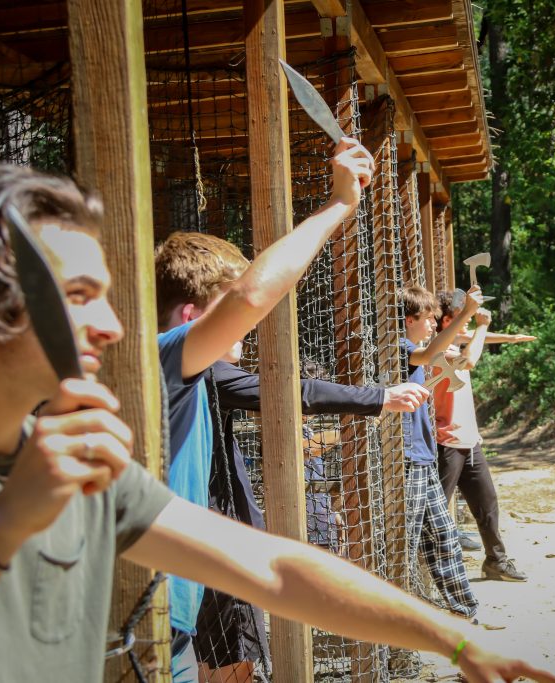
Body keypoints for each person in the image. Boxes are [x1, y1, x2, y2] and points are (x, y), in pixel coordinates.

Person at [0, 161, 555, 683]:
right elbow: (250, 297)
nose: (111, 324)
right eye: (77, 295)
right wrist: (2, 532)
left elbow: (274, 567)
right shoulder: (42, 477)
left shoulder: (79, 468)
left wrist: (455, 641)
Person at [152, 137, 381, 681]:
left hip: (174, 612)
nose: (246, 333)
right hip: (147, 618)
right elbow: (253, 296)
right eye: (227, 318)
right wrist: (339, 207)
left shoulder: (188, 374)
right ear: (190, 316)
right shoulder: (162, 358)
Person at [195, 353, 428, 681]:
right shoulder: (206, 370)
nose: (245, 334)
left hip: (227, 535)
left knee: (215, 655)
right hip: (230, 541)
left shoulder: (192, 370)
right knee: (231, 654)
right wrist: (378, 399)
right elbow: (292, 394)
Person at [433, 290, 528, 582]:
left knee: (487, 504)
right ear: (447, 321)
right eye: (462, 321)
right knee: (436, 511)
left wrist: (509, 338)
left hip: (469, 442)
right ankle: (434, 572)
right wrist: (483, 327)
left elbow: (472, 338)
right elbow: (469, 358)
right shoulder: (438, 349)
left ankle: (496, 562)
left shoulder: (456, 339)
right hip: (445, 442)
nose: (468, 327)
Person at [401, 285, 484, 620]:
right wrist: (466, 314)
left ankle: (465, 613)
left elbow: (452, 353)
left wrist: (482, 328)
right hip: (407, 462)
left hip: (423, 458)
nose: (434, 325)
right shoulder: (399, 346)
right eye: (429, 319)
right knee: (402, 546)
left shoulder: (418, 344)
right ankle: (396, 624)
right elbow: (429, 354)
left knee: (445, 536)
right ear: (408, 320)